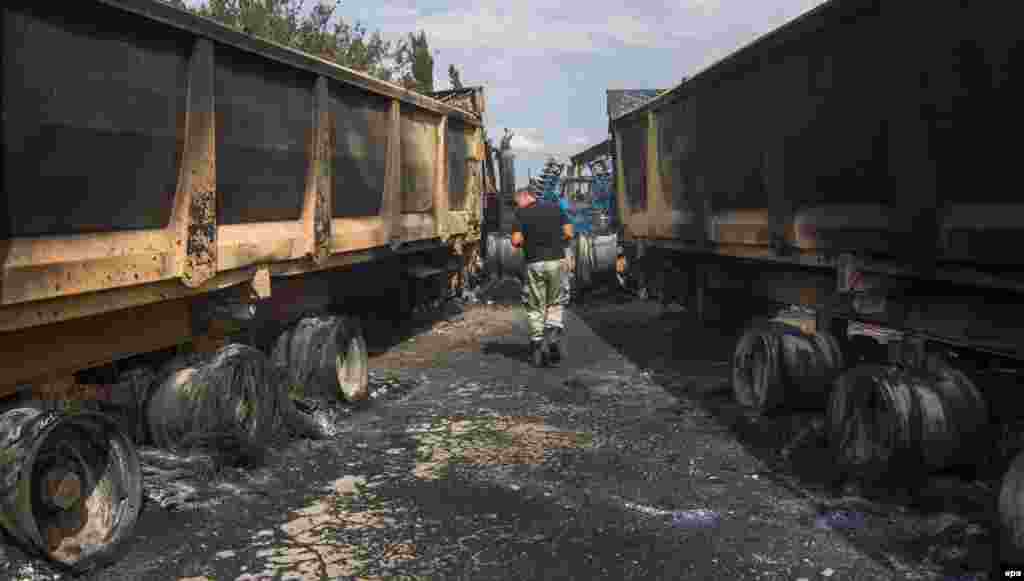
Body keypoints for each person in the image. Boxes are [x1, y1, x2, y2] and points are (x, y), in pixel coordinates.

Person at [511, 188, 573, 367]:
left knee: (536, 304)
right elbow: (569, 233)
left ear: (525, 197)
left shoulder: (521, 213)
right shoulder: (555, 208)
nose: (517, 205)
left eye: (518, 201)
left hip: (534, 263)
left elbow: (515, 241)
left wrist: (528, 240)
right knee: (555, 301)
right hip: (556, 261)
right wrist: (554, 240)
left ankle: (537, 343)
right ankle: (553, 340)